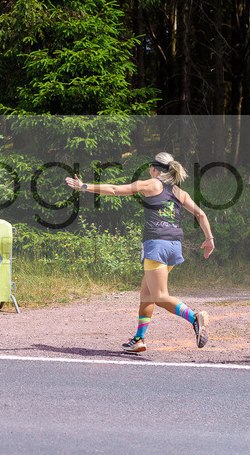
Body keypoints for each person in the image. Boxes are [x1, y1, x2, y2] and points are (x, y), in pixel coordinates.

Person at [65, 152, 215, 354]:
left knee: (160, 296)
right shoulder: (180, 193)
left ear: (154, 169)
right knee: (147, 294)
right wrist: (209, 239)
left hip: (157, 245)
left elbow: (115, 189)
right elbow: (201, 214)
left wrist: (85, 186)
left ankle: (194, 318)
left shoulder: (151, 184)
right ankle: (138, 340)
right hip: (174, 245)